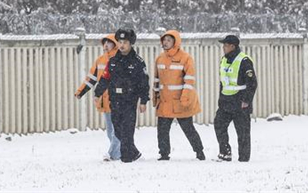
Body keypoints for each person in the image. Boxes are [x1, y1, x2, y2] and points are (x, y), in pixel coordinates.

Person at [94, 28, 149, 163]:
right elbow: (105, 78)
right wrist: (98, 93)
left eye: (125, 42)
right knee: (118, 130)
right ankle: (134, 154)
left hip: (129, 101)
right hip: (115, 100)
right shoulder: (113, 61)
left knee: (127, 130)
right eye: (119, 42)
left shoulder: (138, 62)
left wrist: (143, 101)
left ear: (131, 44)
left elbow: (144, 83)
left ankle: (126, 158)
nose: (122, 45)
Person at [153, 29, 205, 161]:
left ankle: (199, 151)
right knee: (162, 129)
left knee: (188, 128)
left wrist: (185, 98)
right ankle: (164, 154)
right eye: (164, 40)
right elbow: (156, 80)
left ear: (175, 42)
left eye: (169, 40)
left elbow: (189, 81)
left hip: (180, 101)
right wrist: (155, 97)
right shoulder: (160, 58)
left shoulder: (185, 58)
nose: (165, 43)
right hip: (165, 102)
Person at [75, 33, 121, 161]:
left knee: (117, 130)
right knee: (110, 132)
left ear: (115, 44)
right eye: (104, 43)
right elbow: (91, 78)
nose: (106, 45)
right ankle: (119, 154)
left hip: (118, 100)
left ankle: (112, 153)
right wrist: (81, 91)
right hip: (104, 100)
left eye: (109, 42)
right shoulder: (100, 60)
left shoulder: (120, 59)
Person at [214, 34, 258, 162]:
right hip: (226, 101)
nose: (223, 47)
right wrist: (220, 99)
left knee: (242, 132)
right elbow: (223, 82)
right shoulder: (224, 60)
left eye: (226, 45)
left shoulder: (244, 61)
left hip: (240, 101)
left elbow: (252, 83)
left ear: (233, 46)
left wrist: (246, 100)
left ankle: (243, 159)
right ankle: (225, 152)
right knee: (219, 125)